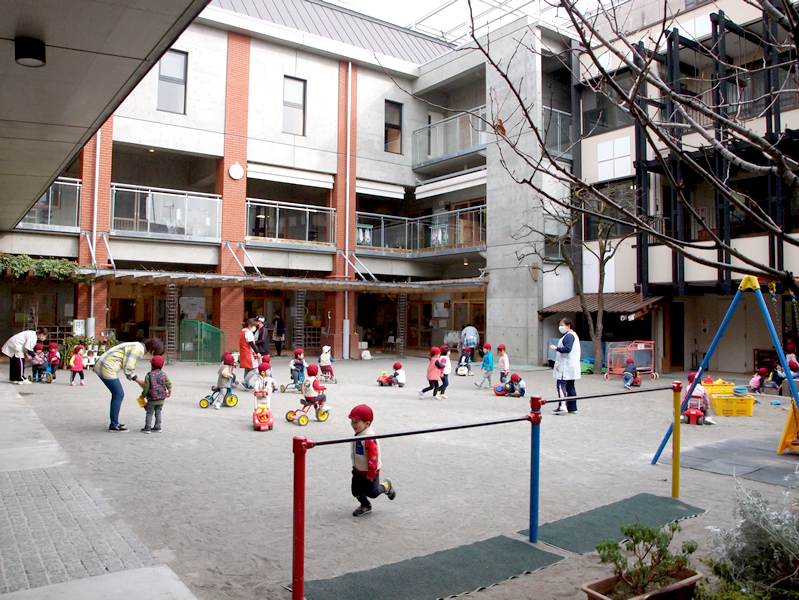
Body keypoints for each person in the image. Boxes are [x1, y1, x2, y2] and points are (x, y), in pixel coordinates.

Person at [95, 338, 164, 432]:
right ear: (153, 350)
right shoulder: (139, 349)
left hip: (103, 364)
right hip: (106, 367)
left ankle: (115, 423)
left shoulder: (138, 346)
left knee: (117, 394)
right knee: (118, 394)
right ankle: (114, 425)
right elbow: (128, 369)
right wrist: (140, 382)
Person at [348, 404, 396, 517]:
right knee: (356, 491)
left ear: (367, 424)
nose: (353, 424)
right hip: (357, 470)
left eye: (356, 422)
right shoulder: (358, 434)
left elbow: (373, 458)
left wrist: (371, 474)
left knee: (372, 493)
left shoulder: (369, 439)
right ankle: (366, 505)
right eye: (352, 421)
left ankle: (386, 486)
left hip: (370, 472)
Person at [550, 317, 580, 415]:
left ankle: (562, 406)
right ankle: (572, 407)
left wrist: (556, 348)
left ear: (568, 326)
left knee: (561, 384)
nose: (560, 327)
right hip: (571, 365)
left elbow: (567, 349)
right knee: (570, 386)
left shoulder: (569, 336)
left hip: (566, 366)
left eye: (562, 325)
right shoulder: (573, 335)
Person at [139, 355, 171, 433]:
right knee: (158, 412)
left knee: (149, 413)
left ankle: (148, 428)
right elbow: (168, 383)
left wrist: (142, 396)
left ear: (152, 365)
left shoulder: (149, 375)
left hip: (152, 398)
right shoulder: (164, 374)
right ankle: (158, 427)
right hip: (161, 398)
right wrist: (169, 390)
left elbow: (146, 388)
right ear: (162, 366)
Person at [239, 318, 261, 389]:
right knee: (254, 369)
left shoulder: (242, 332)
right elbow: (252, 344)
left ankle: (247, 384)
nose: (254, 328)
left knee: (247, 368)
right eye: (254, 326)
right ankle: (245, 381)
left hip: (243, 352)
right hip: (249, 353)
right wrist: (257, 352)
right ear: (250, 325)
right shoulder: (248, 333)